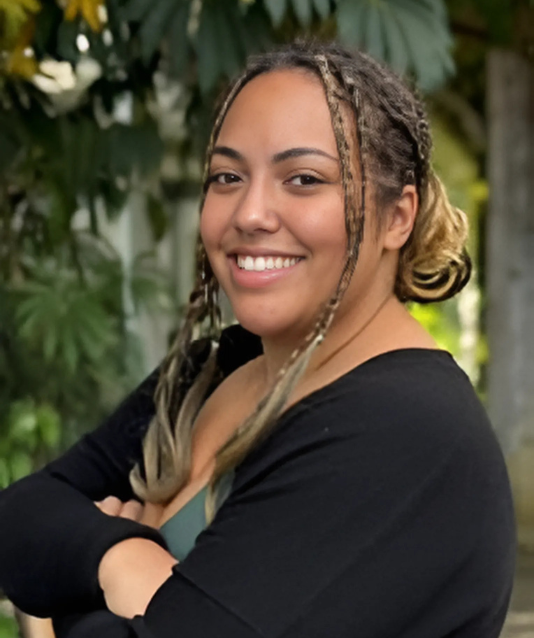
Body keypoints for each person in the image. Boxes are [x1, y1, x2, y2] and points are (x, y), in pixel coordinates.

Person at [0, 41, 515, 638]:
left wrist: (57, 602)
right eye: (227, 176)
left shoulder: (405, 430)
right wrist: (124, 559)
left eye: (303, 178)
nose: (250, 212)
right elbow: (21, 515)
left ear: (397, 217)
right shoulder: (213, 369)